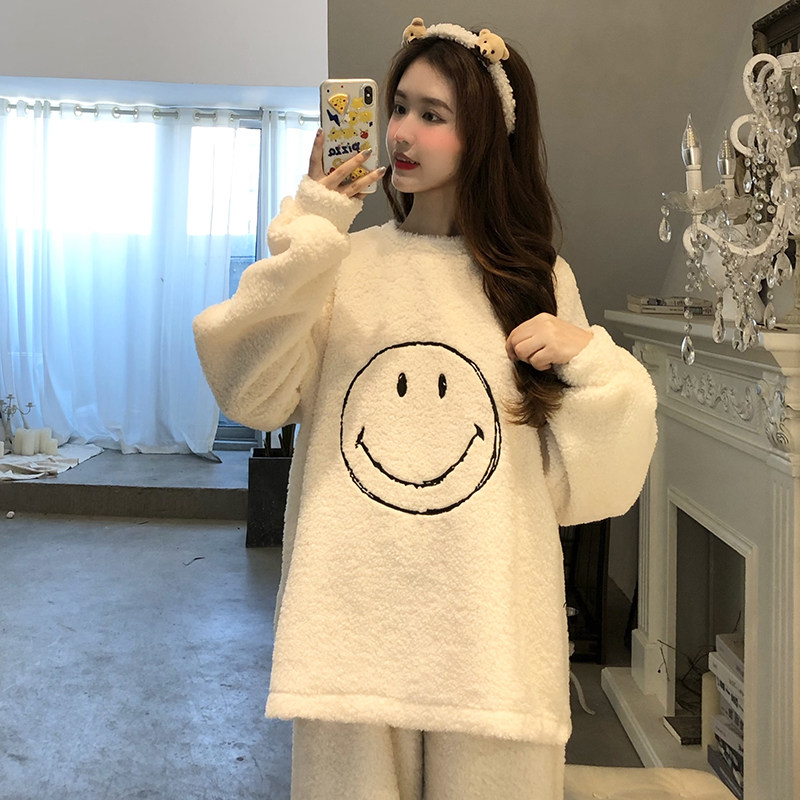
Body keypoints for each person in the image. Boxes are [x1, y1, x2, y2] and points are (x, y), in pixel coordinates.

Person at [193, 18, 657, 800]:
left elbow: (591, 484)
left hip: (492, 641)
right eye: (399, 107)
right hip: (349, 631)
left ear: (483, 139)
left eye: (432, 115)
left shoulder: (538, 279)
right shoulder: (344, 263)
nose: (401, 132)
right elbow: (251, 390)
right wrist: (312, 228)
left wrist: (589, 359)